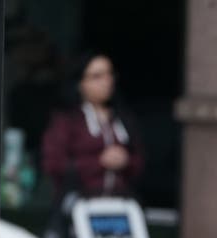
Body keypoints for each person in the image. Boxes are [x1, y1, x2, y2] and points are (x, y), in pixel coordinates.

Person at [40, 51, 144, 203]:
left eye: (109, 74)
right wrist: (98, 162)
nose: (106, 81)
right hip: (79, 204)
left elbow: (140, 159)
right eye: (97, 76)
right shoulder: (67, 120)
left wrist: (125, 161)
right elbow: (54, 164)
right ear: (80, 83)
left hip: (119, 204)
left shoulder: (121, 118)